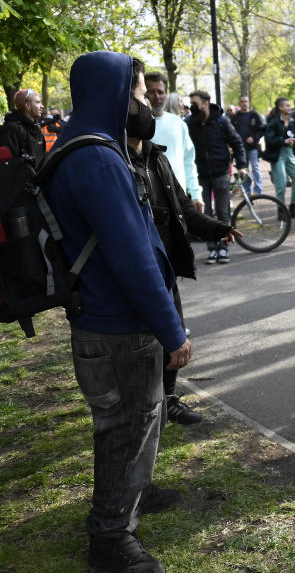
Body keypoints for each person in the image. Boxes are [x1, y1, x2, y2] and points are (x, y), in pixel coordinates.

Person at [43, 52, 190, 573]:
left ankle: (134, 496)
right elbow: (132, 255)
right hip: (119, 325)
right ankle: (109, 539)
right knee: (127, 427)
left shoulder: (78, 147)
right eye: (132, 92)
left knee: (133, 424)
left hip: (103, 318)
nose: (139, 101)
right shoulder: (98, 158)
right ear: (111, 93)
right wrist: (172, 332)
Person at [125, 100, 241, 426]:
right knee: (159, 339)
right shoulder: (116, 162)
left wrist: (218, 229)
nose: (149, 109)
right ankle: (152, 409)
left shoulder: (156, 157)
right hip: (140, 267)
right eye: (142, 102)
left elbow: (184, 210)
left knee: (174, 337)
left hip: (164, 266)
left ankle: (169, 401)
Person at [186, 90, 246, 264]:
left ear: (206, 103)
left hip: (220, 173)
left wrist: (242, 165)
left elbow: (236, 142)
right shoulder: (189, 123)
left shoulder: (221, 121)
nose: (192, 107)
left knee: (222, 212)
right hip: (200, 175)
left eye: (195, 103)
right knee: (205, 214)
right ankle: (212, 249)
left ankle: (223, 248)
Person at [143, 72, 202, 210]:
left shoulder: (178, 124)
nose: (157, 97)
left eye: (160, 92)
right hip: (152, 204)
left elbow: (188, 162)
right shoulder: (136, 128)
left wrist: (196, 194)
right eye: (151, 92)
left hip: (179, 201)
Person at [263, 97, 295, 218]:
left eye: (289, 105)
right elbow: (269, 140)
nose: (290, 107)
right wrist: (283, 141)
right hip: (278, 155)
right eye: (287, 105)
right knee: (281, 184)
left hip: (290, 154)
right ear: (280, 107)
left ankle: (292, 207)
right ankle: (281, 211)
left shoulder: (292, 121)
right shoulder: (274, 122)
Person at [231, 95, 266, 194]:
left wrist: (254, 138)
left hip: (253, 147)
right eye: (242, 101)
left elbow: (262, 129)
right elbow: (230, 132)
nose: (244, 103)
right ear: (239, 103)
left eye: (246, 101)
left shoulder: (254, 115)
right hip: (240, 149)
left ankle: (258, 190)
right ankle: (247, 191)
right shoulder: (235, 117)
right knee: (244, 169)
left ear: (248, 102)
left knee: (255, 167)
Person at [0, 88, 45, 160]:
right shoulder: (12, 129)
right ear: (27, 106)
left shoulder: (36, 127)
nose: (42, 106)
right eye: (37, 102)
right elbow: (8, 164)